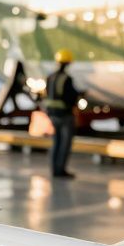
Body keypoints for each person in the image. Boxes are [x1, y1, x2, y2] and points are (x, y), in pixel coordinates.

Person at [45, 49, 80, 179]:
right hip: (65, 115)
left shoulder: (50, 77)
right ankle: (61, 170)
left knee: (56, 143)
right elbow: (71, 97)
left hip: (52, 115)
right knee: (65, 144)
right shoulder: (67, 79)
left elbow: (46, 95)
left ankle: (54, 170)